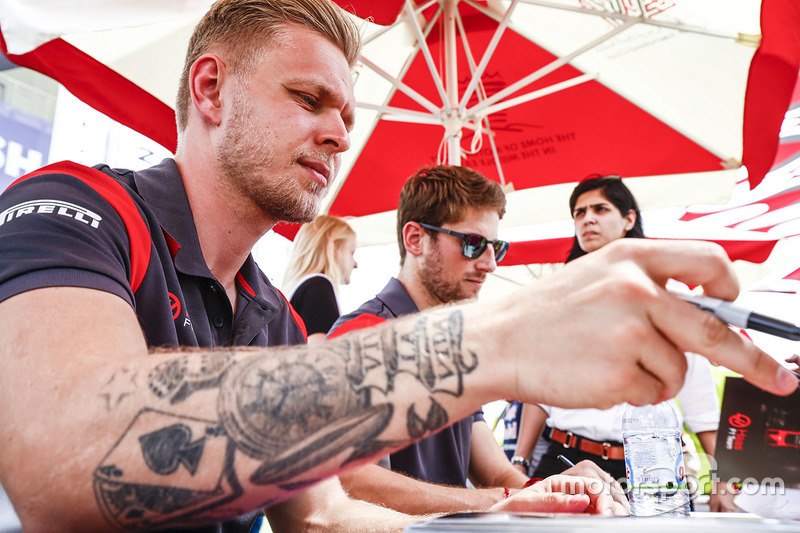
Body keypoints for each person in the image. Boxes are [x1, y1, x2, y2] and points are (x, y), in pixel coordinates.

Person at [0, 1, 794, 531]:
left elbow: (322, 512)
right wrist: (492, 338)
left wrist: (509, 507)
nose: (340, 135)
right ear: (210, 88)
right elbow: (61, 440)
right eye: (310, 99)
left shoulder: (270, 308)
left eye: (347, 114)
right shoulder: (77, 206)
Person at [327, 165, 617, 514]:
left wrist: (562, 488)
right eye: (474, 244)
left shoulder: (456, 346)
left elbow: (495, 472)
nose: (490, 263)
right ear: (415, 239)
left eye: (497, 246)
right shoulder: (362, 335)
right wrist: (503, 500)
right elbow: (354, 481)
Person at [513, 175, 738, 512]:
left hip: (653, 468)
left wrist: (723, 480)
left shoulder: (667, 299)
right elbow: (540, 394)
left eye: (600, 209)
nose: (587, 218)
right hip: (566, 460)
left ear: (629, 219)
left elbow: (701, 404)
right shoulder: (556, 299)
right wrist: (519, 460)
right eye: (579, 212)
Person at [283, 214, 357, 344]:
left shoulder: (302, 288)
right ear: (334, 247)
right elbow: (321, 358)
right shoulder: (319, 287)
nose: (355, 264)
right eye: (352, 252)